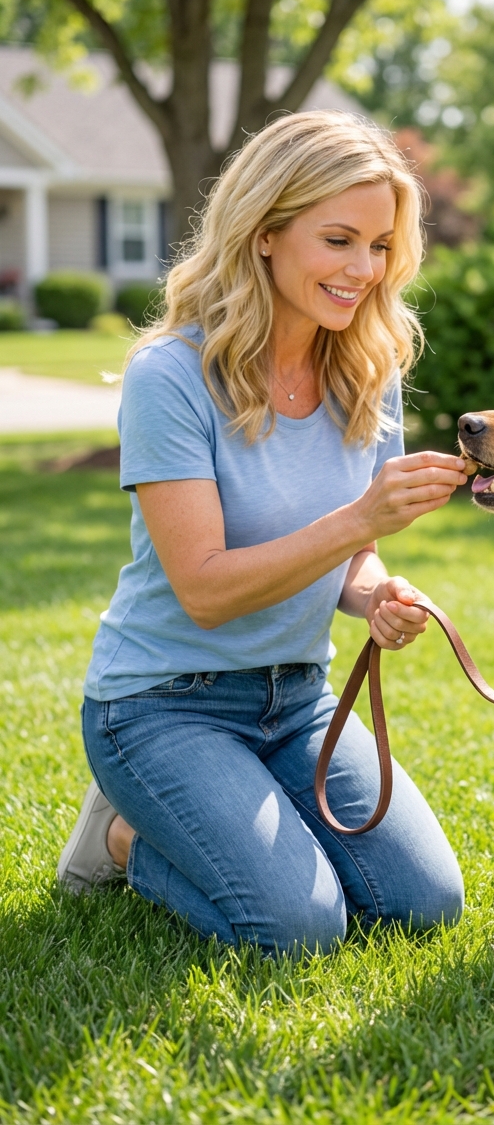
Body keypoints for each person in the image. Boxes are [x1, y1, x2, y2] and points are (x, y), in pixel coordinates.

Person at [57, 111, 468, 955]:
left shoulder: (365, 370)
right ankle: (122, 840)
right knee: (299, 927)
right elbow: (205, 589)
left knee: (423, 903)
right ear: (266, 233)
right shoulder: (171, 375)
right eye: (339, 239)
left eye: (382, 245)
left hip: (297, 698)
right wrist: (362, 519)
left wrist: (374, 589)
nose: (364, 270)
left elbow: (353, 555)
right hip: (164, 706)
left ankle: (222, 821)